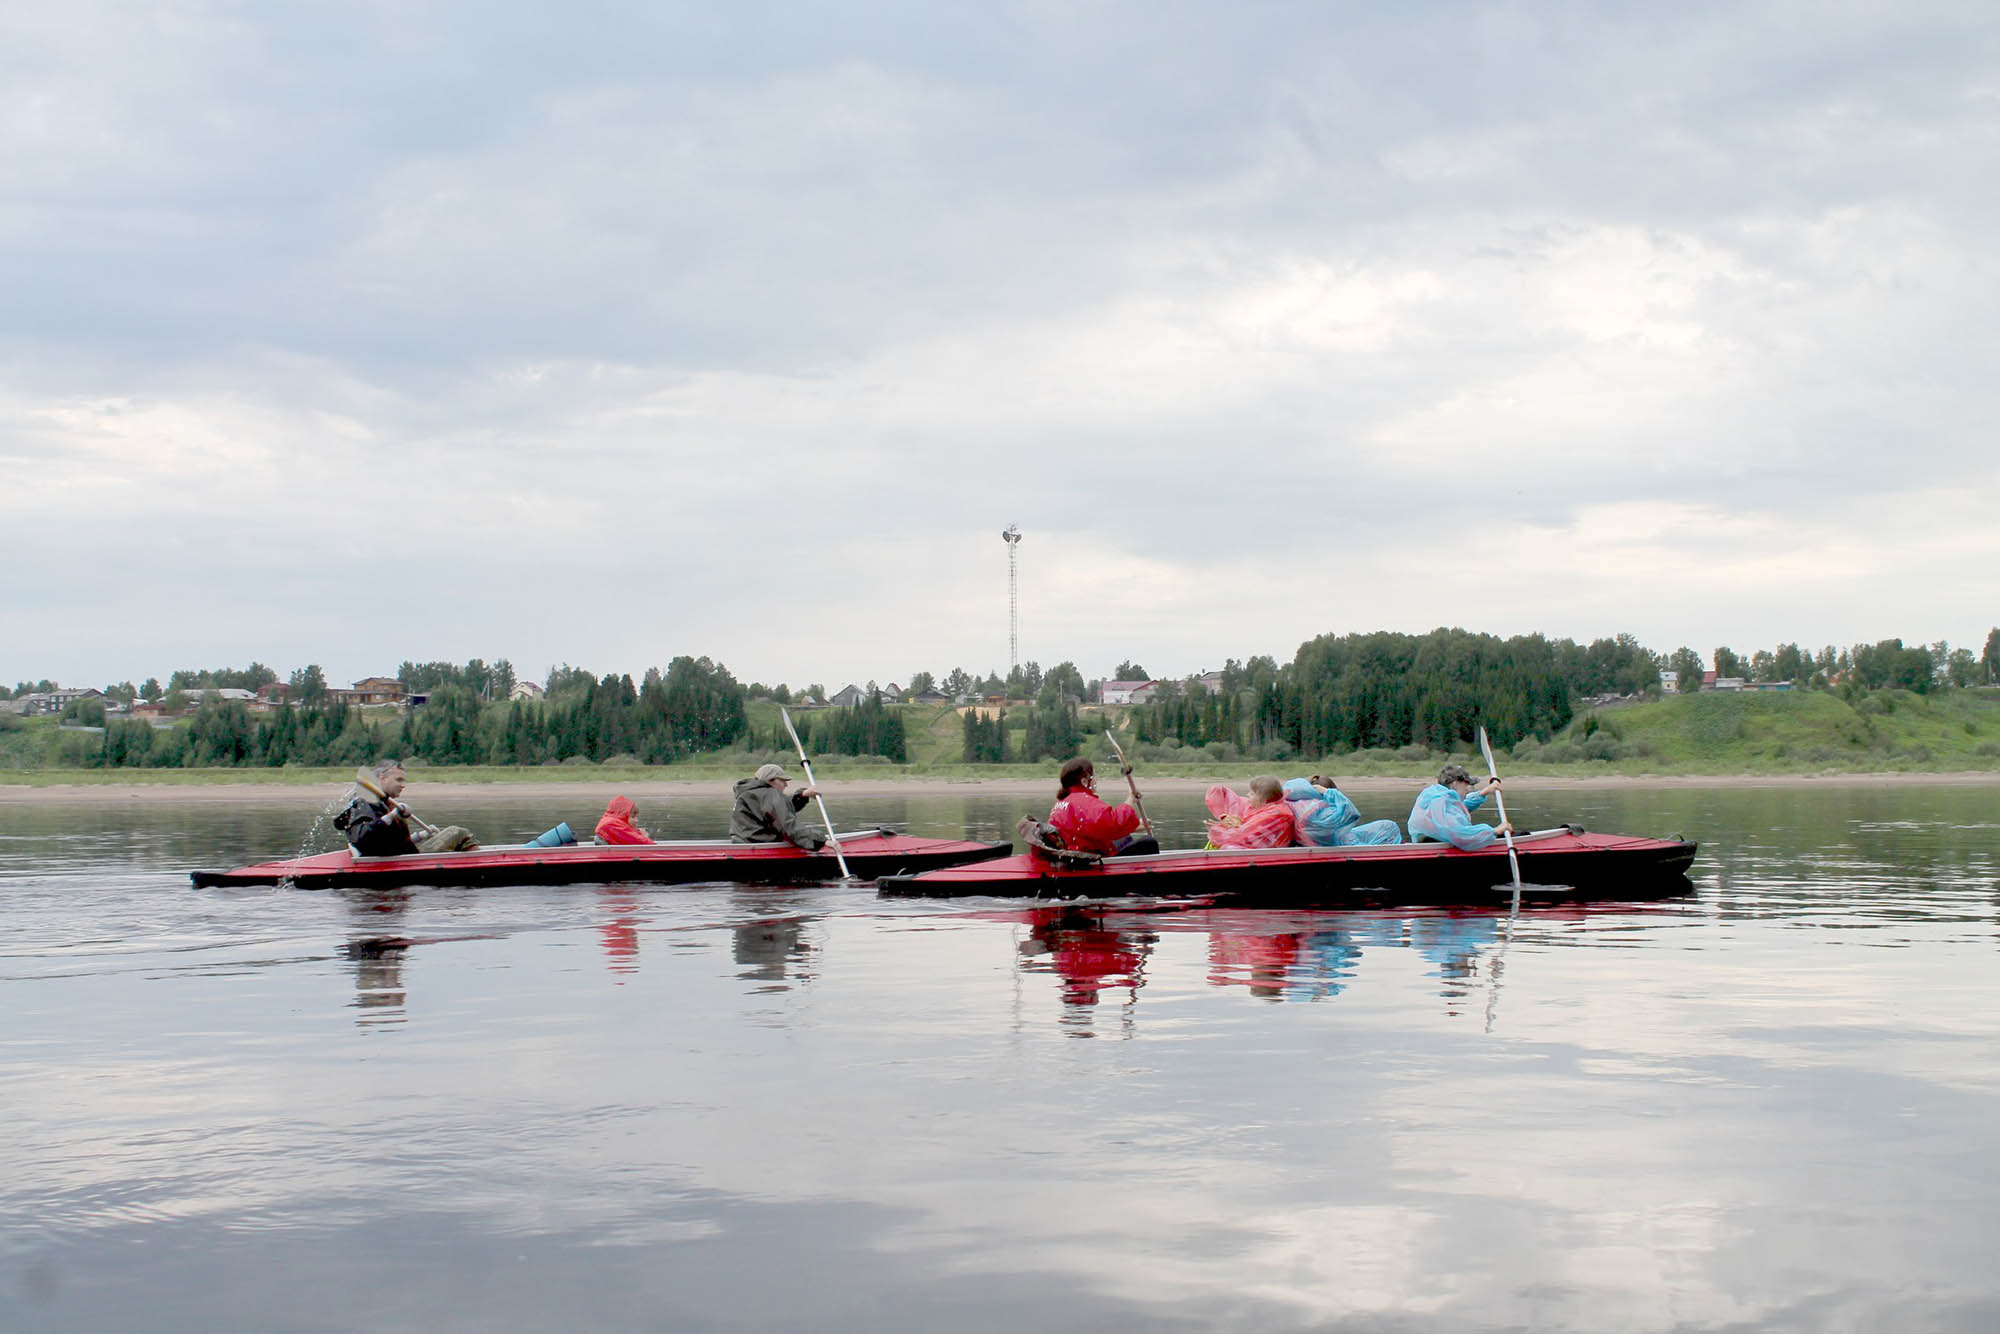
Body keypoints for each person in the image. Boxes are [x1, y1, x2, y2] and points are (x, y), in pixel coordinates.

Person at [333, 759, 480, 856]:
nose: (403, 785)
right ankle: (479, 864)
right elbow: (364, 838)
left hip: (402, 854)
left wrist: (421, 836)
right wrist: (392, 815)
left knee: (451, 836)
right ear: (382, 778)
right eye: (398, 779)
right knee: (458, 832)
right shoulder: (366, 802)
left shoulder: (383, 803)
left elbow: (395, 844)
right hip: (397, 860)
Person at [1048, 757, 1159, 857]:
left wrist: (1134, 827)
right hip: (1091, 862)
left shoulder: (1062, 803)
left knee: (1124, 839)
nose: (1096, 780)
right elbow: (1112, 823)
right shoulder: (1083, 802)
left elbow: (1091, 831)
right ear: (1084, 781)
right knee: (1149, 843)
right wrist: (1130, 799)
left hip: (1080, 855)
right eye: (1093, 776)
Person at [1407, 762, 1514, 850]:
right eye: (1466, 783)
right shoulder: (1441, 801)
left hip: (1429, 841)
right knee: (1521, 834)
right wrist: (1494, 831)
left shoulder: (1433, 794)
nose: (1468, 788)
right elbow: (1459, 834)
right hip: (1435, 848)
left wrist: (1483, 793)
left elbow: (1458, 810)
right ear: (1455, 784)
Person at [729, 763, 827, 851]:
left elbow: (779, 809)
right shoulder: (770, 793)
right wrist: (821, 840)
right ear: (770, 780)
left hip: (741, 841)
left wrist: (802, 795)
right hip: (758, 846)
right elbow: (788, 825)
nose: (786, 784)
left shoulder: (749, 793)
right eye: (782, 780)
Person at [1281, 776, 1403, 845]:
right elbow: (1351, 813)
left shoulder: (1298, 809)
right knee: (1390, 827)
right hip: (1336, 844)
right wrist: (1329, 793)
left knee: (1383, 826)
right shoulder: (1322, 814)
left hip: (1329, 839)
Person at [1204, 775, 1298, 849]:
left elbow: (1243, 836)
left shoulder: (1275, 814)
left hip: (1268, 853)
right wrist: (1223, 825)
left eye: (1252, 794)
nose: (1248, 795)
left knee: (1229, 848)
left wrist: (1216, 830)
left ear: (1263, 799)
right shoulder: (1264, 809)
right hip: (1264, 849)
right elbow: (1247, 830)